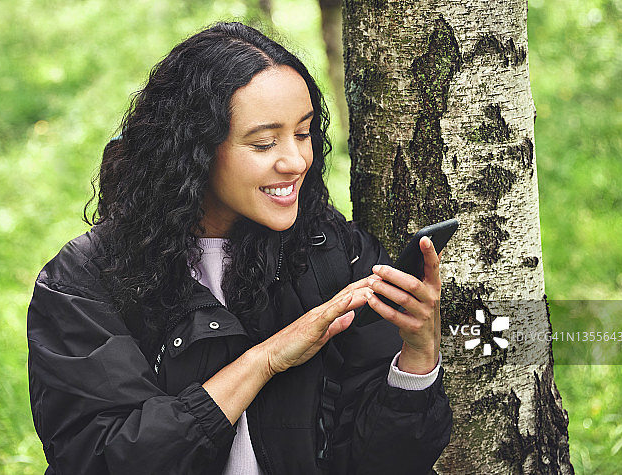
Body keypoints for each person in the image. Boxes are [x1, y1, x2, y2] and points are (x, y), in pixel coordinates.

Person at [27, 22, 452, 474]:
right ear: (194, 149)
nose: (295, 161)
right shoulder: (83, 283)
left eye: (304, 134)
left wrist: (417, 357)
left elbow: (383, 464)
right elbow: (106, 459)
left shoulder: (336, 256)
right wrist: (264, 361)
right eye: (264, 143)